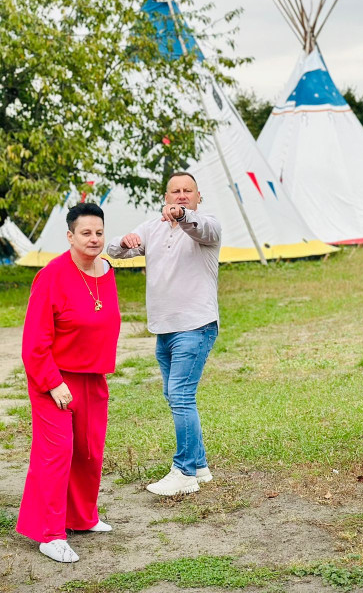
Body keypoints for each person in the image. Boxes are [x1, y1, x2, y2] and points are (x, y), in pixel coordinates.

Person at [16, 203, 121, 563]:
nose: (94, 239)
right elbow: (33, 344)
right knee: (56, 453)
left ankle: (81, 517)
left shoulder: (106, 272)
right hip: (54, 377)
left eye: (99, 232)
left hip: (92, 375)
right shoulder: (52, 276)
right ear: (70, 236)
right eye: (86, 233)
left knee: (89, 450)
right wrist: (52, 382)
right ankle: (49, 533)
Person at [107, 172, 221, 497]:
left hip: (194, 326)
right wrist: (124, 241)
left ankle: (184, 472)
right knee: (176, 397)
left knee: (181, 396)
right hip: (163, 328)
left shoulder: (207, 225)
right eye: (176, 191)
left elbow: (199, 226)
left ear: (199, 196)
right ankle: (199, 465)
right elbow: (117, 252)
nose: (182, 195)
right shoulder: (152, 227)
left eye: (188, 191)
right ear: (166, 195)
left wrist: (184, 216)